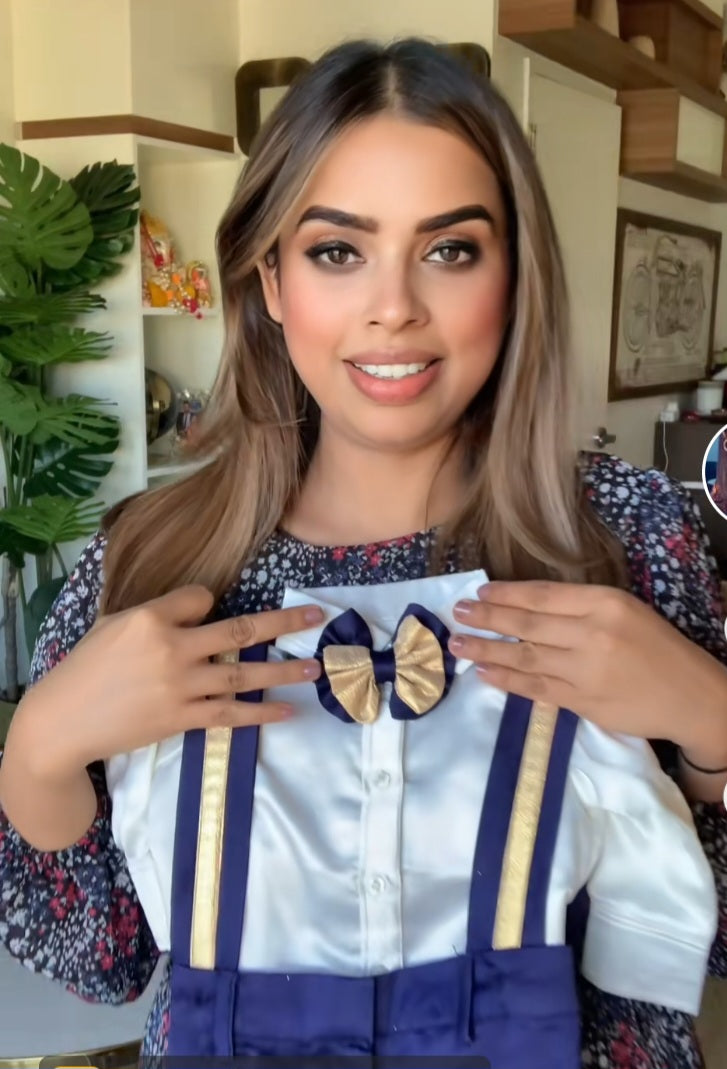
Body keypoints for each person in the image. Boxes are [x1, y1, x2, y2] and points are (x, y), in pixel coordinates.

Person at [1, 38, 727, 1068]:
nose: (394, 306)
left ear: (515, 275)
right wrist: (39, 743)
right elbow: (100, 959)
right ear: (271, 281)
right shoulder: (151, 565)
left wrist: (708, 719)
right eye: (338, 250)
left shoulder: (622, 536)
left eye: (450, 249)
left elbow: (707, 938)